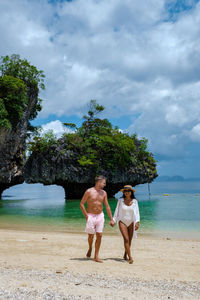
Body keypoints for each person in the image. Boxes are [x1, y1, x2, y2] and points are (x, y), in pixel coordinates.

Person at [80, 175, 113, 263]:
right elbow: (82, 204)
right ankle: (90, 247)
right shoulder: (89, 191)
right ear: (99, 182)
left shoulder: (104, 193)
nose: (105, 185)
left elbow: (107, 206)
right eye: (104, 183)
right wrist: (86, 216)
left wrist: (111, 219)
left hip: (100, 215)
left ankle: (96, 256)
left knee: (99, 235)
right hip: (90, 215)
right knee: (91, 235)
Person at [109, 185, 140, 264]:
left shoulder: (135, 201)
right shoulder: (120, 200)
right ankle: (130, 257)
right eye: (125, 191)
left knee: (129, 240)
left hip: (131, 222)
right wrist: (113, 220)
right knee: (126, 239)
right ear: (123, 192)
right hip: (122, 221)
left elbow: (137, 213)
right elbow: (116, 211)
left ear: (131, 192)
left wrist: (137, 222)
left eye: (129, 191)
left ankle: (125, 254)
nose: (127, 192)